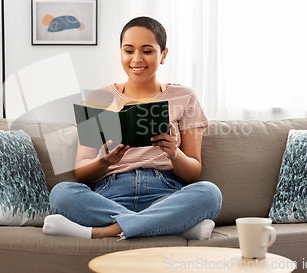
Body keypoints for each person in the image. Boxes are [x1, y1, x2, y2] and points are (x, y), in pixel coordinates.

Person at [43, 16, 222, 240]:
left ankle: (107, 231)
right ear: (120, 52)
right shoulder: (98, 98)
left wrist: (174, 153)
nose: (137, 59)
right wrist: (106, 161)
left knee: (210, 193)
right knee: (61, 194)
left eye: (147, 51)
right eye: (129, 51)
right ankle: (173, 226)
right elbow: (81, 170)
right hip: (110, 194)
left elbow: (194, 172)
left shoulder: (185, 97)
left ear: (163, 54)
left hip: (165, 193)